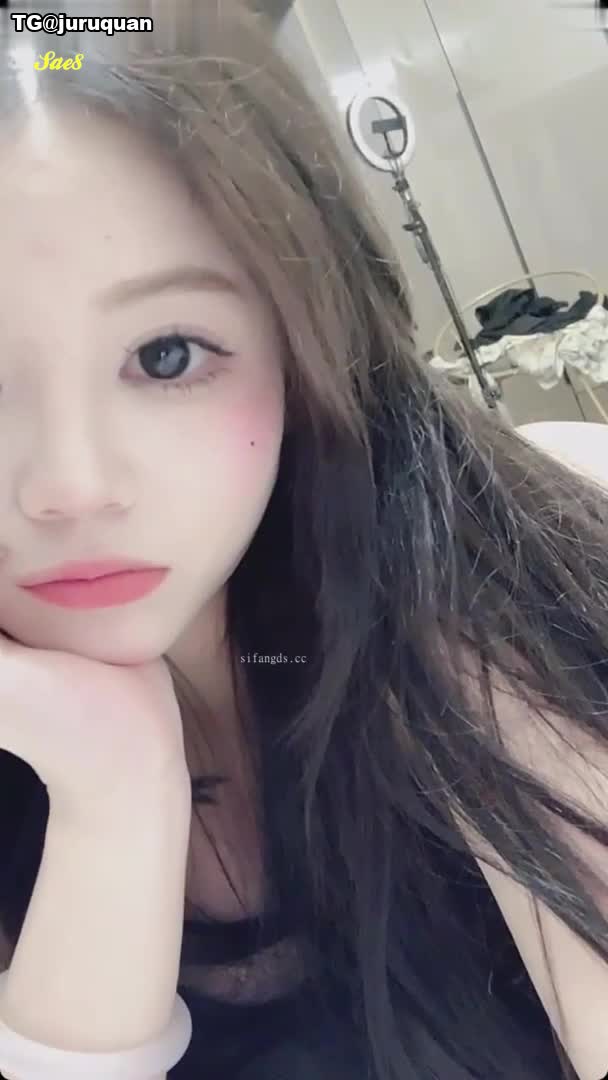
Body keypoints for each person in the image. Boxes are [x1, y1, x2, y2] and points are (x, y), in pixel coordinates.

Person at [0, 2, 607, 1078]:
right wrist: (112, 794)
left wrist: (484, 640)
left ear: (303, 338)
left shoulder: (522, 574)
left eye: (168, 354)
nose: (69, 487)